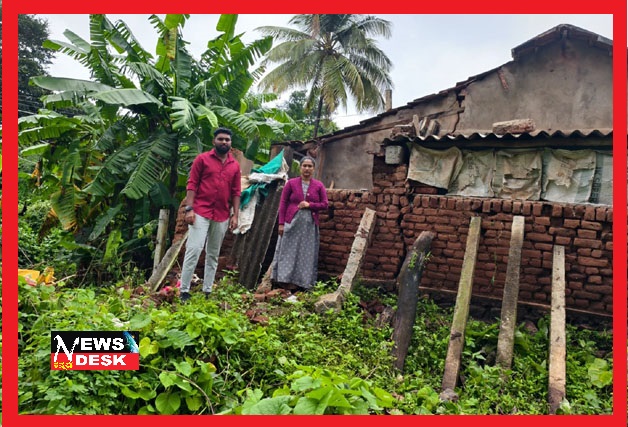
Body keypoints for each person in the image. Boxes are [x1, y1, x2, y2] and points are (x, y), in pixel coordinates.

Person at [179, 127, 241, 301]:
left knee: (213, 254)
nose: (224, 142)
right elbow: (192, 184)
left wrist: (235, 215)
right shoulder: (202, 159)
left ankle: (208, 291)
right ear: (214, 141)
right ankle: (184, 291)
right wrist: (189, 209)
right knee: (194, 249)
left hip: (221, 214)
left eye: (227, 140)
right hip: (200, 211)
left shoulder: (234, 166)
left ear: (230, 143)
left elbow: (236, 192)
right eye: (221, 139)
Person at [271, 156, 328, 290]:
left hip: (309, 226)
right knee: (287, 251)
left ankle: (301, 283)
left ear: (314, 169)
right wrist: (281, 224)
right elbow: (283, 204)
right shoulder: (291, 183)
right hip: (291, 224)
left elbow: (325, 204)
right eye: (304, 166)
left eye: (310, 166)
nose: (307, 169)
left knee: (306, 253)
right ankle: (283, 280)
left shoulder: (319, 185)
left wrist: (310, 205)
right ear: (300, 168)